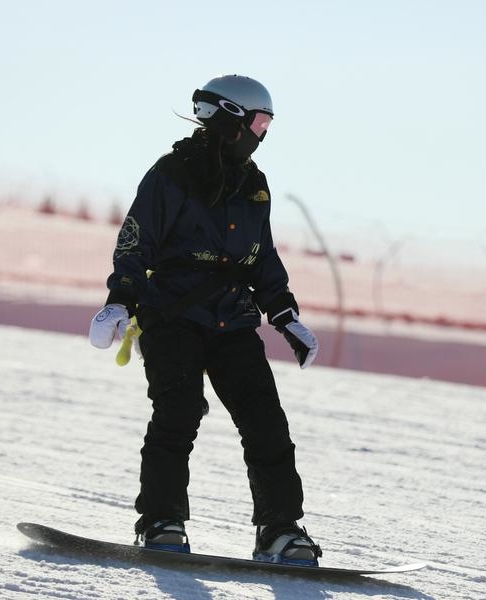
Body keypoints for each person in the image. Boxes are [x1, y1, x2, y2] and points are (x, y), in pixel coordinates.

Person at [88, 75, 322, 566]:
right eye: (260, 122)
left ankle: (279, 529)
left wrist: (285, 314)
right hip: (172, 315)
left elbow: (262, 257)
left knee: (265, 421)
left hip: (233, 319)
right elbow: (136, 240)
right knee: (178, 412)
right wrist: (120, 301)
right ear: (232, 119)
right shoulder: (172, 174)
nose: (263, 133)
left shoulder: (254, 185)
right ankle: (160, 521)